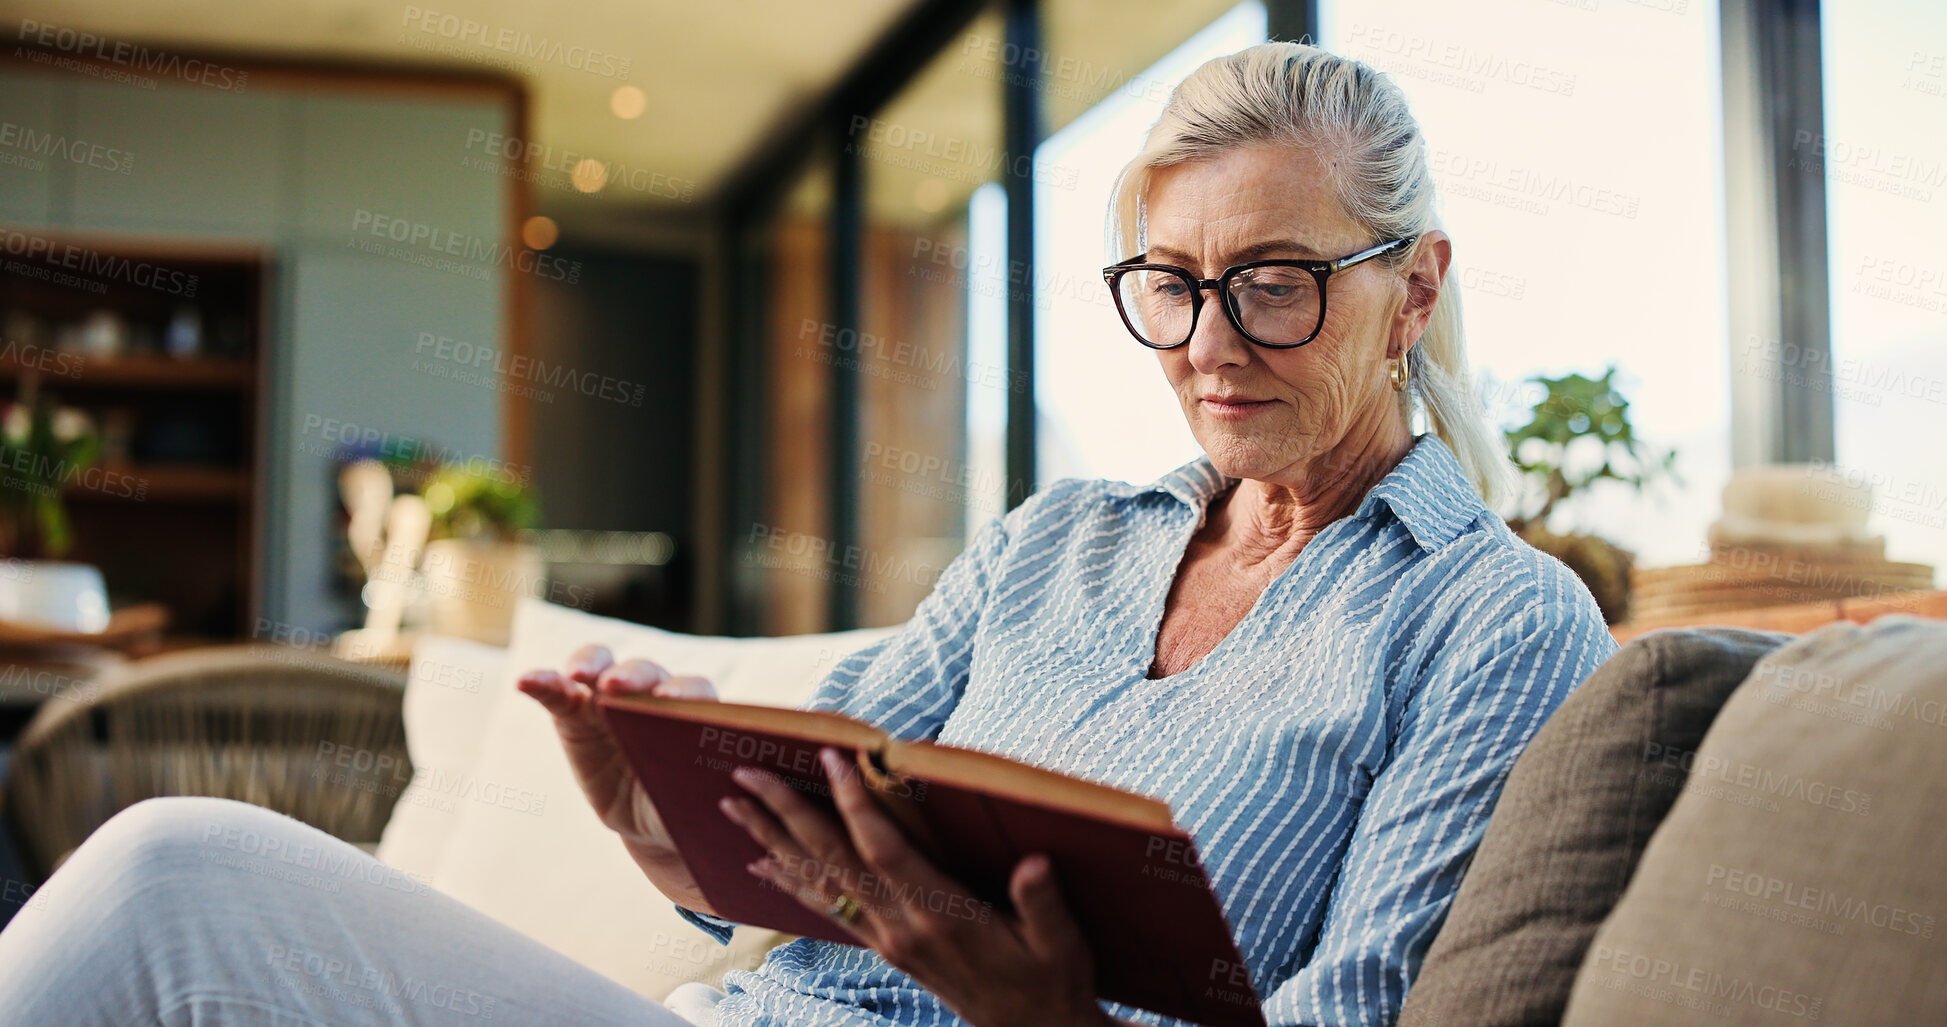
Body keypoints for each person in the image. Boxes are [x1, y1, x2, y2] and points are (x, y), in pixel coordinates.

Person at [0, 42, 1616, 1027]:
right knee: (177, 877)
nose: (1206, 341)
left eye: (1274, 280)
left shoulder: (1497, 624)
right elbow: (812, 828)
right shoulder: (1056, 543)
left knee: (172, 875)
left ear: (1414, 287)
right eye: (1173, 284)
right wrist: (663, 821)